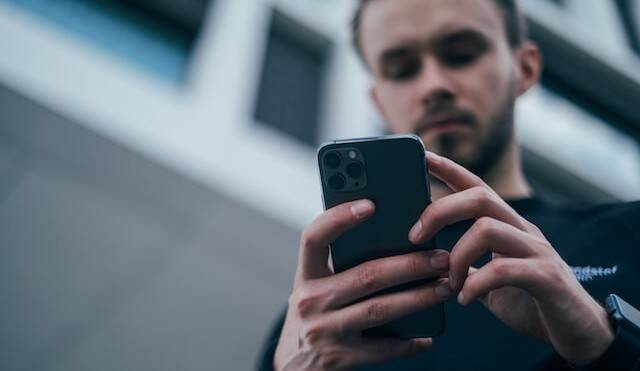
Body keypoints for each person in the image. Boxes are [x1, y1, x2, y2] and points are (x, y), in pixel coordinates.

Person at [257, 0, 640, 369]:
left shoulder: (630, 233)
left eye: (461, 55)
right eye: (402, 70)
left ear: (524, 68)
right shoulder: (318, 318)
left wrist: (604, 339)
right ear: (379, 103)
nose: (433, 85)